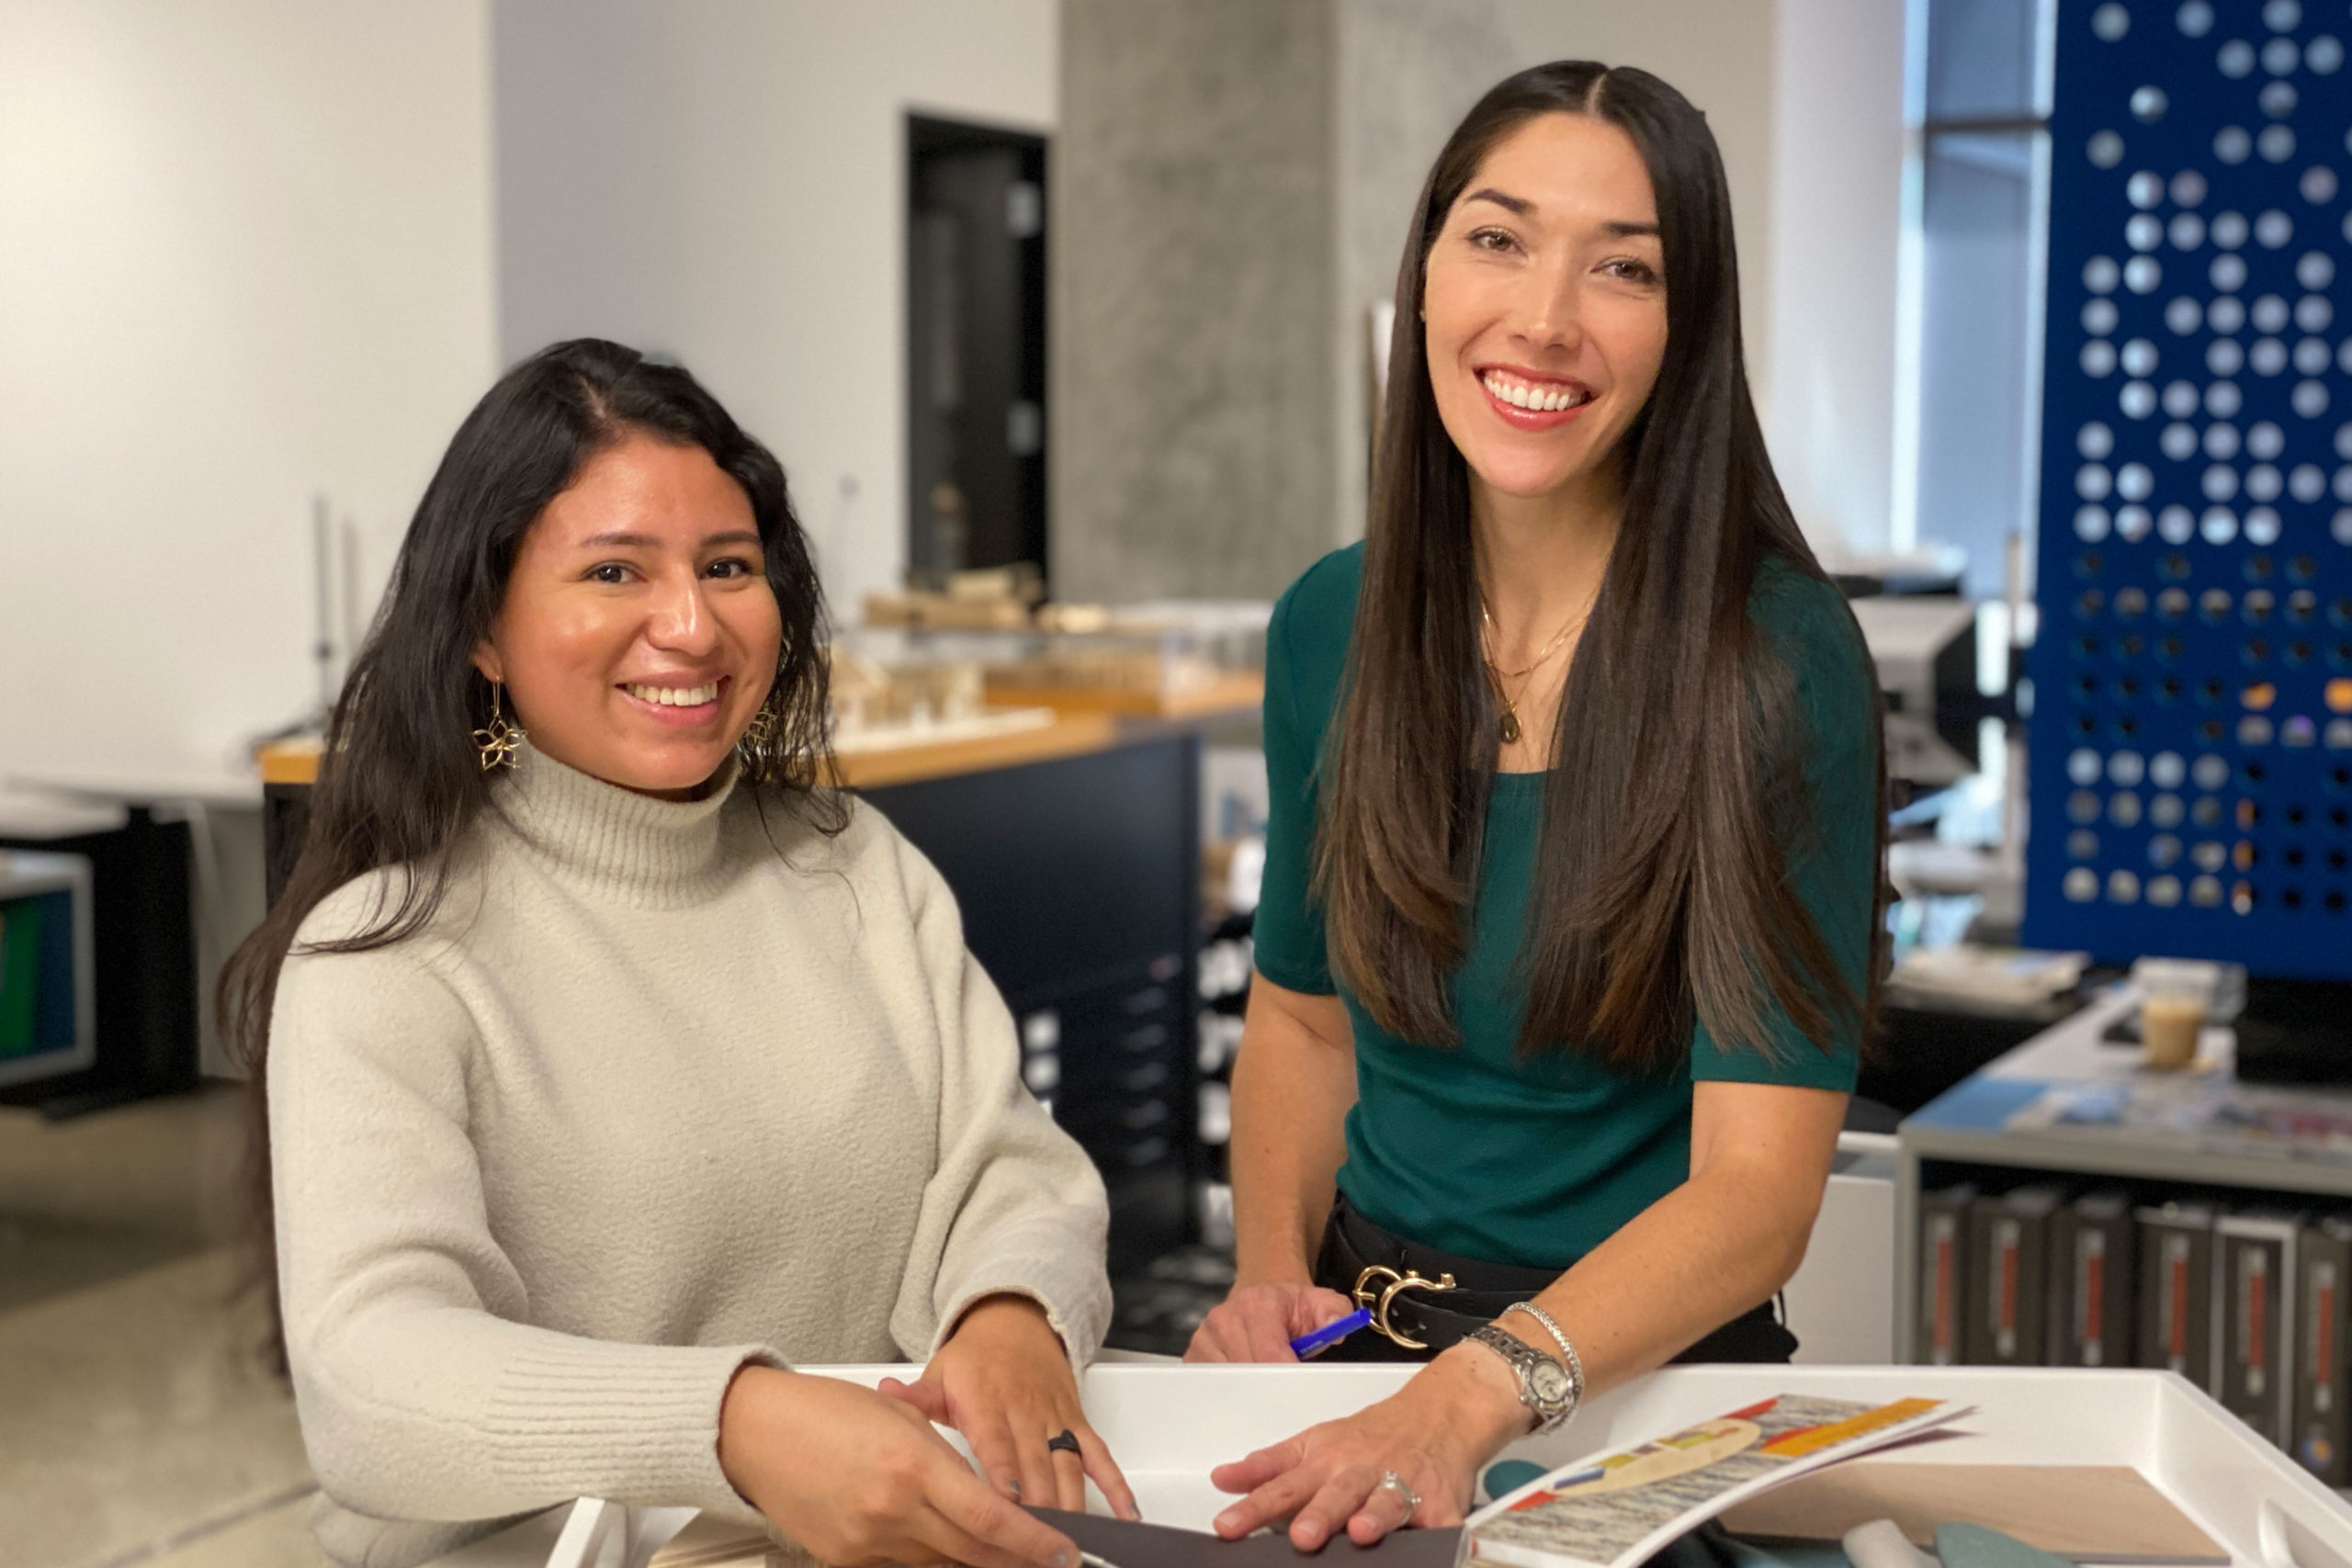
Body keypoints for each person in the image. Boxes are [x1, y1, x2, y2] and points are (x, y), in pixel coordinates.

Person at [222, 339, 1135, 1568]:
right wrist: (737, 1421)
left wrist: (1012, 1311)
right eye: (613, 570)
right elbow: (371, 1374)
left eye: (727, 566)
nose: (692, 626)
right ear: (483, 631)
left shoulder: (855, 865)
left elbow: (1011, 1173)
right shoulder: (385, 951)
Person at [1183, 62, 1890, 1551]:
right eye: (1497, 238)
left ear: (1686, 329)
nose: (1546, 316)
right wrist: (1263, 1279)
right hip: (1362, 1355)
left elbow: (1759, 1193)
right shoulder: (1334, 622)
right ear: (1428, 272)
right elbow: (1305, 1021)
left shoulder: (1772, 661)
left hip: (1641, 1395)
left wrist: (1468, 1399)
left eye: (1624, 267)